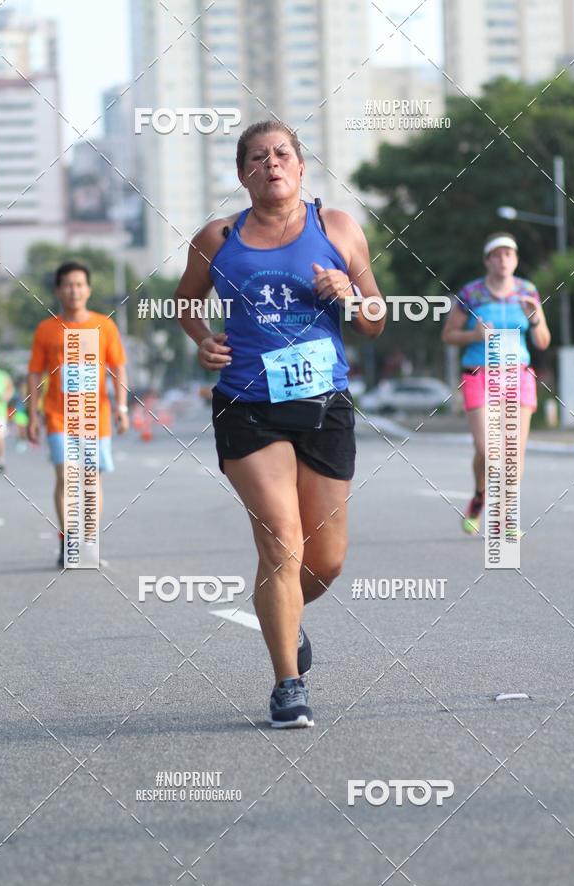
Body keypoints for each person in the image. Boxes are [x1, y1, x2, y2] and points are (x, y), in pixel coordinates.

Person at [176, 120, 384, 728]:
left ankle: (285, 615)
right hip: (247, 406)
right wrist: (202, 341)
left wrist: (349, 291)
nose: (272, 164)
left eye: (283, 154)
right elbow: (187, 302)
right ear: (242, 174)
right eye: (258, 158)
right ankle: (287, 683)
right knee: (282, 544)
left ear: (301, 165)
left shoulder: (337, 227)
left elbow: (375, 320)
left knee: (325, 561)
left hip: (324, 406)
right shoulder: (217, 239)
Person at [442, 233, 551, 534]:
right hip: (480, 374)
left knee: (513, 451)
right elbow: (448, 336)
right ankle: (480, 495)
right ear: (487, 260)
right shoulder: (472, 293)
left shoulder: (527, 292)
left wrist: (537, 319)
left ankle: (506, 515)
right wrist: (474, 336)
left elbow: (542, 342)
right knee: (487, 450)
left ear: (515, 260)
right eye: (497, 255)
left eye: (509, 255)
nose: (503, 260)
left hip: (519, 374)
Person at [27, 262, 130, 566]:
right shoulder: (47, 330)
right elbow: (34, 373)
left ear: (88, 289)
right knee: (66, 476)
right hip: (58, 416)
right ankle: (68, 539)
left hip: (95, 418)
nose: (74, 290)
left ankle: (88, 539)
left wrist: (123, 409)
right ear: (59, 291)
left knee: (90, 478)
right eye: (68, 285)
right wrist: (32, 415)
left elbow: (118, 368)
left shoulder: (105, 326)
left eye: (79, 284)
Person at [0, 352, 14, 473]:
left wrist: (6, 396)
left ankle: (0, 459)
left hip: (0, 412)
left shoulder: (3, 376)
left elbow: (10, 389)